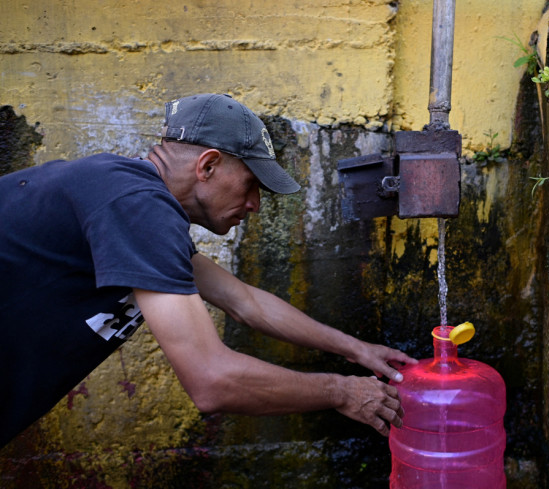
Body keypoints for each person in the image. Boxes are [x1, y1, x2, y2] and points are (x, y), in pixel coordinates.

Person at [0, 93, 416, 448]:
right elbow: (213, 380)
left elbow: (245, 302)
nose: (254, 204)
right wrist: (342, 391)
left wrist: (356, 350)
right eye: (251, 183)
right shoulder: (133, 204)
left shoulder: (127, 200)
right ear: (208, 165)